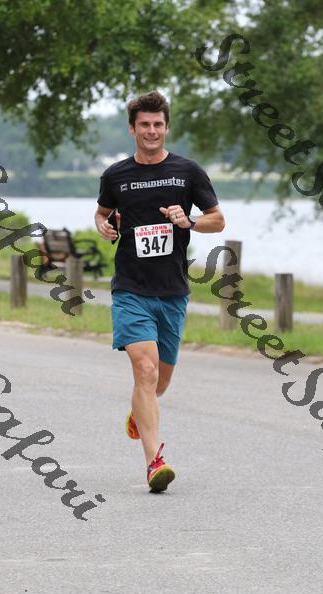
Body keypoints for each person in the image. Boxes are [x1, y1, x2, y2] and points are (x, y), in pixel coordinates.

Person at [94, 90, 225, 493]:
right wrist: (104, 225)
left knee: (159, 383)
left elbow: (218, 220)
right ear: (132, 129)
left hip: (172, 291)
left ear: (166, 128)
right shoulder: (115, 175)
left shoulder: (188, 172)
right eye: (144, 124)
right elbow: (102, 212)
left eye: (157, 124)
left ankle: (140, 410)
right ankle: (155, 462)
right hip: (130, 288)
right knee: (145, 371)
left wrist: (188, 222)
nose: (151, 131)